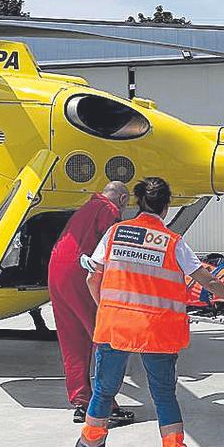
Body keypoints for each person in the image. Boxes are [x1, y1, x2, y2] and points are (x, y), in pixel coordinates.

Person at [75, 177, 224, 447]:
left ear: (139, 202)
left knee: (104, 391)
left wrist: (103, 306)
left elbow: (93, 276)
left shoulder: (116, 233)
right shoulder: (173, 242)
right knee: (164, 397)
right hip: (156, 331)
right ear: (166, 206)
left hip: (115, 325)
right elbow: (204, 278)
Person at [48, 181, 133, 424]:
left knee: (72, 339)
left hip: (57, 271)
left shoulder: (86, 208)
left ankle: (81, 400)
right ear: (123, 199)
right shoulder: (108, 210)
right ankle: (105, 405)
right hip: (80, 273)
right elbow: (113, 250)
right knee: (103, 337)